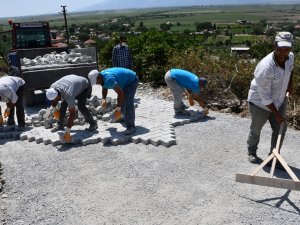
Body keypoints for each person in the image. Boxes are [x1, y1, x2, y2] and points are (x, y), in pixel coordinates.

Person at [247, 31, 294, 164]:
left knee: (280, 129)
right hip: (259, 102)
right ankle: (252, 151)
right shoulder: (265, 67)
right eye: (279, 49)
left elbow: (291, 69)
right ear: (274, 45)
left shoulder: (290, 57)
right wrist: (277, 114)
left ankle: (273, 156)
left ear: (291, 48)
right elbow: (265, 97)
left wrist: (290, 86)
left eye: (287, 49)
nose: (283, 53)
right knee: (256, 128)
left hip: (279, 98)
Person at [46, 75, 98, 142]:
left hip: (84, 86)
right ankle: (60, 125)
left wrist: (68, 131)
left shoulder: (68, 94)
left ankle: (93, 124)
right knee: (63, 105)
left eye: (55, 99)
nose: (53, 101)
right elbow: (52, 101)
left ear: (58, 96)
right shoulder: (52, 88)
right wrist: (55, 109)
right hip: (72, 83)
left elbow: (72, 114)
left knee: (81, 106)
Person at [88, 67, 139, 135]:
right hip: (125, 81)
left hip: (132, 80)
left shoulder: (109, 79)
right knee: (122, 100)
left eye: (96, 81)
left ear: (99, 77)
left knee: (128, 102)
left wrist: (118, 108)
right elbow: (104, 87)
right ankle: (121, 117)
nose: (97, 83)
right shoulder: (102, 76)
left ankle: (131, 127)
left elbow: (121, 94)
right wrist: (103, 98)